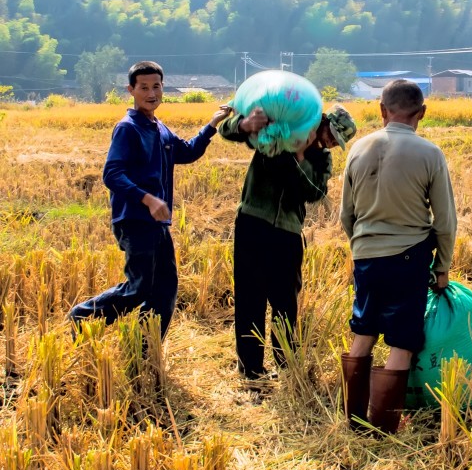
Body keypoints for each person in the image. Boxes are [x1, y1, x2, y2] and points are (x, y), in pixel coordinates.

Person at [69, 61, 230, 338]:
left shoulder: (159, 128)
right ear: (131, 89)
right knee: (139, 288)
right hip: (134, 219)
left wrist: (213, 123)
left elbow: (188, 152)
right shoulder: (128, 128)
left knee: (165, 289)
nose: (151, 93)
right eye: (143, 87)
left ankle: (145, 345)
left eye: (156, 86)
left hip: (157, 224)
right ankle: (83, 316)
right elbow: (112, 174)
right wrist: (148, 199)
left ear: (163, 87)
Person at [340, 80, 457, 434]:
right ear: (421, 113)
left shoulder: (358, 149)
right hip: (409, 257)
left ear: (381, 109)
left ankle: (354, 420)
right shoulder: (429, 153)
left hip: (365, 257)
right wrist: (442, 267)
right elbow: (445, 221)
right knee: (402, 342)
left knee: (363, 331)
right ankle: (382, 427)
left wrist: (363, 247)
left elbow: (346, 215)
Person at [219, 103, 356, 384]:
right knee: (249, 298)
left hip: (288, 231)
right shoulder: (278, 132)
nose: (330, 142)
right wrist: (244, 124)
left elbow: (314, 192)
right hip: (252, 221)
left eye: (335, 141)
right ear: (321, 122)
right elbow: (229, 130)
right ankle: (250, 368)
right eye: (330, 134)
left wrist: (299, 155)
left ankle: (286, 366)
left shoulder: (322, 160)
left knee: (285, 302)